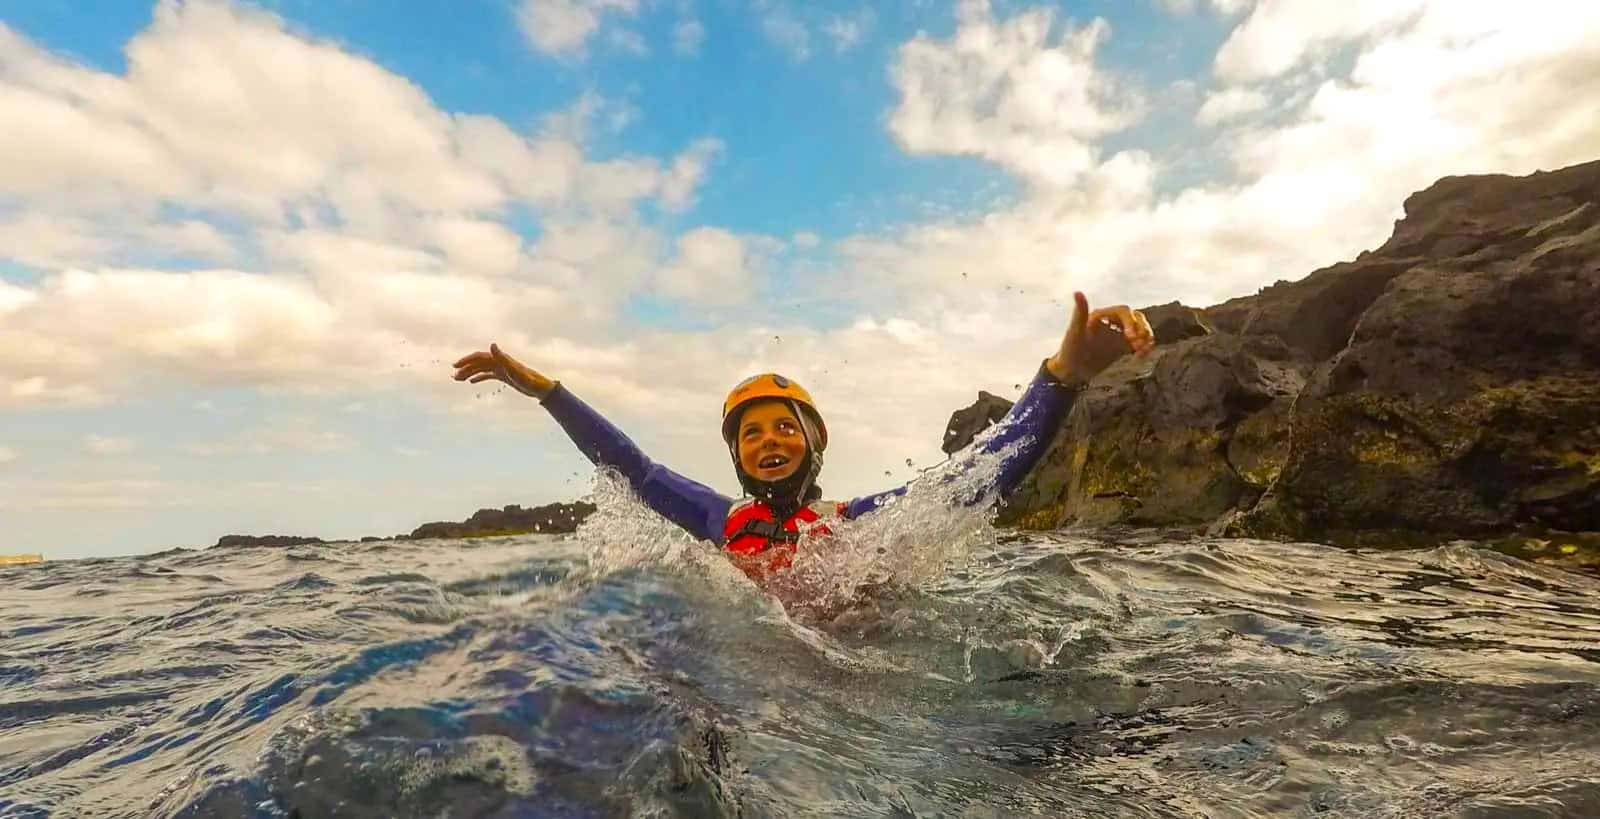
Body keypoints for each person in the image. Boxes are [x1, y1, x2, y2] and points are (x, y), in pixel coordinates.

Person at [452, 292, 1154, 584]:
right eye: (750, 434)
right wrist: (550, 393)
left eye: (785, 426)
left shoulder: (856, 525)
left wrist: (1065, 375)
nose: (767, 440)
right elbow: (633, 468)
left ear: (815, 445)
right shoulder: (717, 520)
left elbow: (984, 471)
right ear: (736, 457)